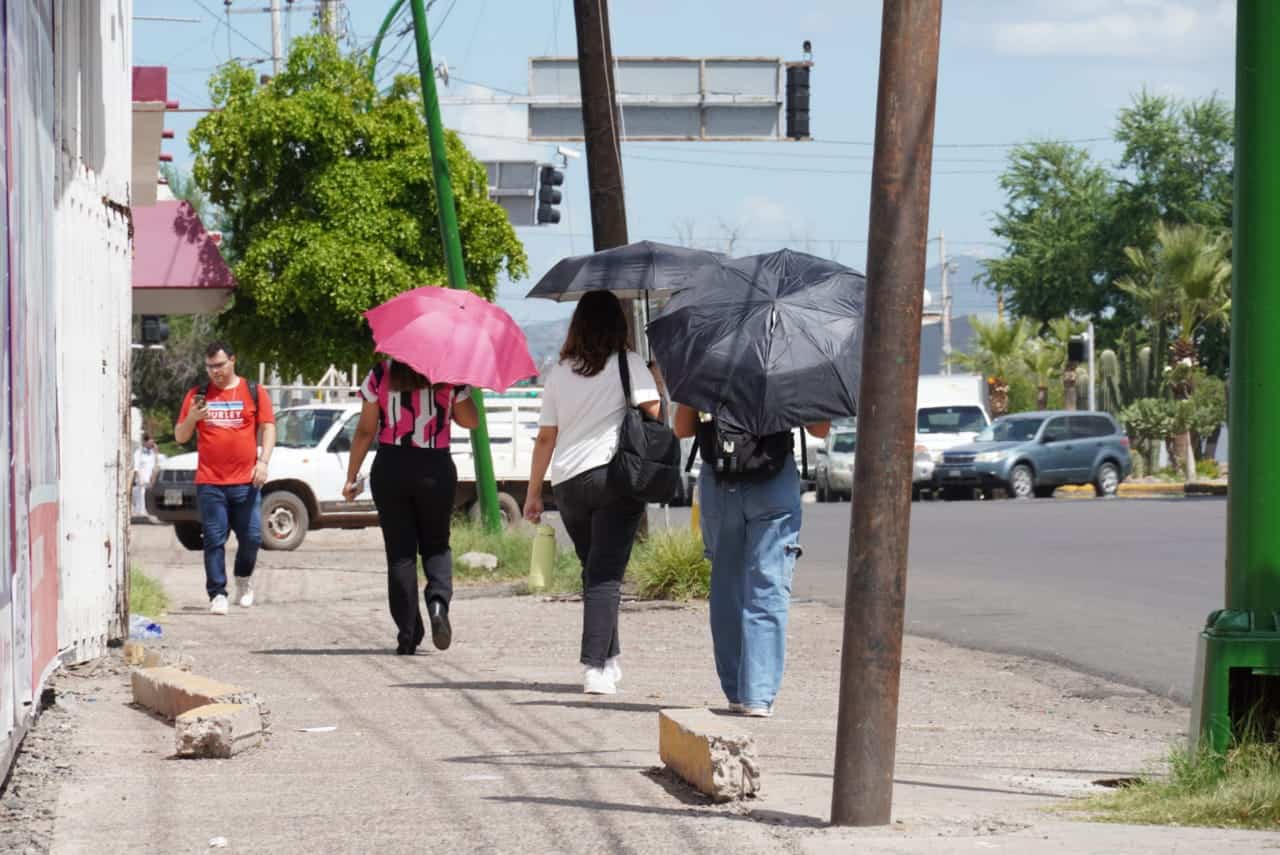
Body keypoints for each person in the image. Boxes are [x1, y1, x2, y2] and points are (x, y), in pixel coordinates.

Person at [523, 292, 661, 695]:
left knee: (594, 569)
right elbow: (655, 415)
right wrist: (656, 381)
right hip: (614, 479)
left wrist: (534, 493)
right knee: (604, 574)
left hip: (568, 484)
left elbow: (546, 437)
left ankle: (611, 657)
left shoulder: (560, 372)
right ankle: (594, 666)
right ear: (618, 325)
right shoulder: (630, 364)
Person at [674, 406, 829, 717]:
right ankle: (757, 695)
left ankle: (734, 690)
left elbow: (682, 428)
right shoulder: (789, 362)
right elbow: (819, 430)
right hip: (773, 482)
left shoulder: (709, 360)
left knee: (726, 587)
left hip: (719, 480)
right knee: (768, 586)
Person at [342, 360, 478, 655]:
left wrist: (352, 476)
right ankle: (438, 605)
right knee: (437, 545)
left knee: (400, 554)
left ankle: (407, 633)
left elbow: (366, 430)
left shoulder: (379, 374)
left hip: (391, 465)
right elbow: (471, 421)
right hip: (435, 466)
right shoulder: (448, 373)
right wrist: (461, 387)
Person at [175, 342, 276, 615]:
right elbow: (180, 436)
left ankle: (243, 579)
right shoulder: (198, 395)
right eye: (210, 367)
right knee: (214, 539)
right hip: (210, 482)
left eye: (220, 365)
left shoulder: (254, 392)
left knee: (252, 537)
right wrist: (192, 418)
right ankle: (217, 593)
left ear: (233, 360)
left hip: (246, 481)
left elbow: (268, 428)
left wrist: (263, 462)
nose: (215, 372)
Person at [131, 434, 164, 520]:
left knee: (149, 496)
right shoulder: (139, 452)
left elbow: (157, 464)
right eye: (151, 440)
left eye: (153, 441)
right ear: (145, 441)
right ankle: (141, 513)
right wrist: (139, 477)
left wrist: (156, 452)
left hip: (151, 478)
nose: (153, 443)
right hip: (142, 478)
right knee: (141, 495)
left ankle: (147, 513)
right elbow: (136, 466)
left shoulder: (153, 452)